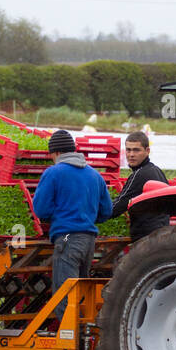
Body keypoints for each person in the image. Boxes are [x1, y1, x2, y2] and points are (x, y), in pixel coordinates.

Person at [32, 130, 113, 321]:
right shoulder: (94, 175)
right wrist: (86, 216)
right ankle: (83, 340)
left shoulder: (53, 173)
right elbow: (106, 211)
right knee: (80, 292)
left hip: (67, 239)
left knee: (65, 295)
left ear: (56, 153)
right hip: (89, 241)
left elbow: (41, 209)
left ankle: (68, 343)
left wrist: (58, 216)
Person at [111, 132, 170, 243]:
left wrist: (91, 215)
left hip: (146, 238)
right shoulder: (157, 171)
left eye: (136, 150)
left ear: (147, 151)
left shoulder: (140, 174)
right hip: (161, 235)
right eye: (128, 150)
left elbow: (117, 206)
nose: (131, 154)